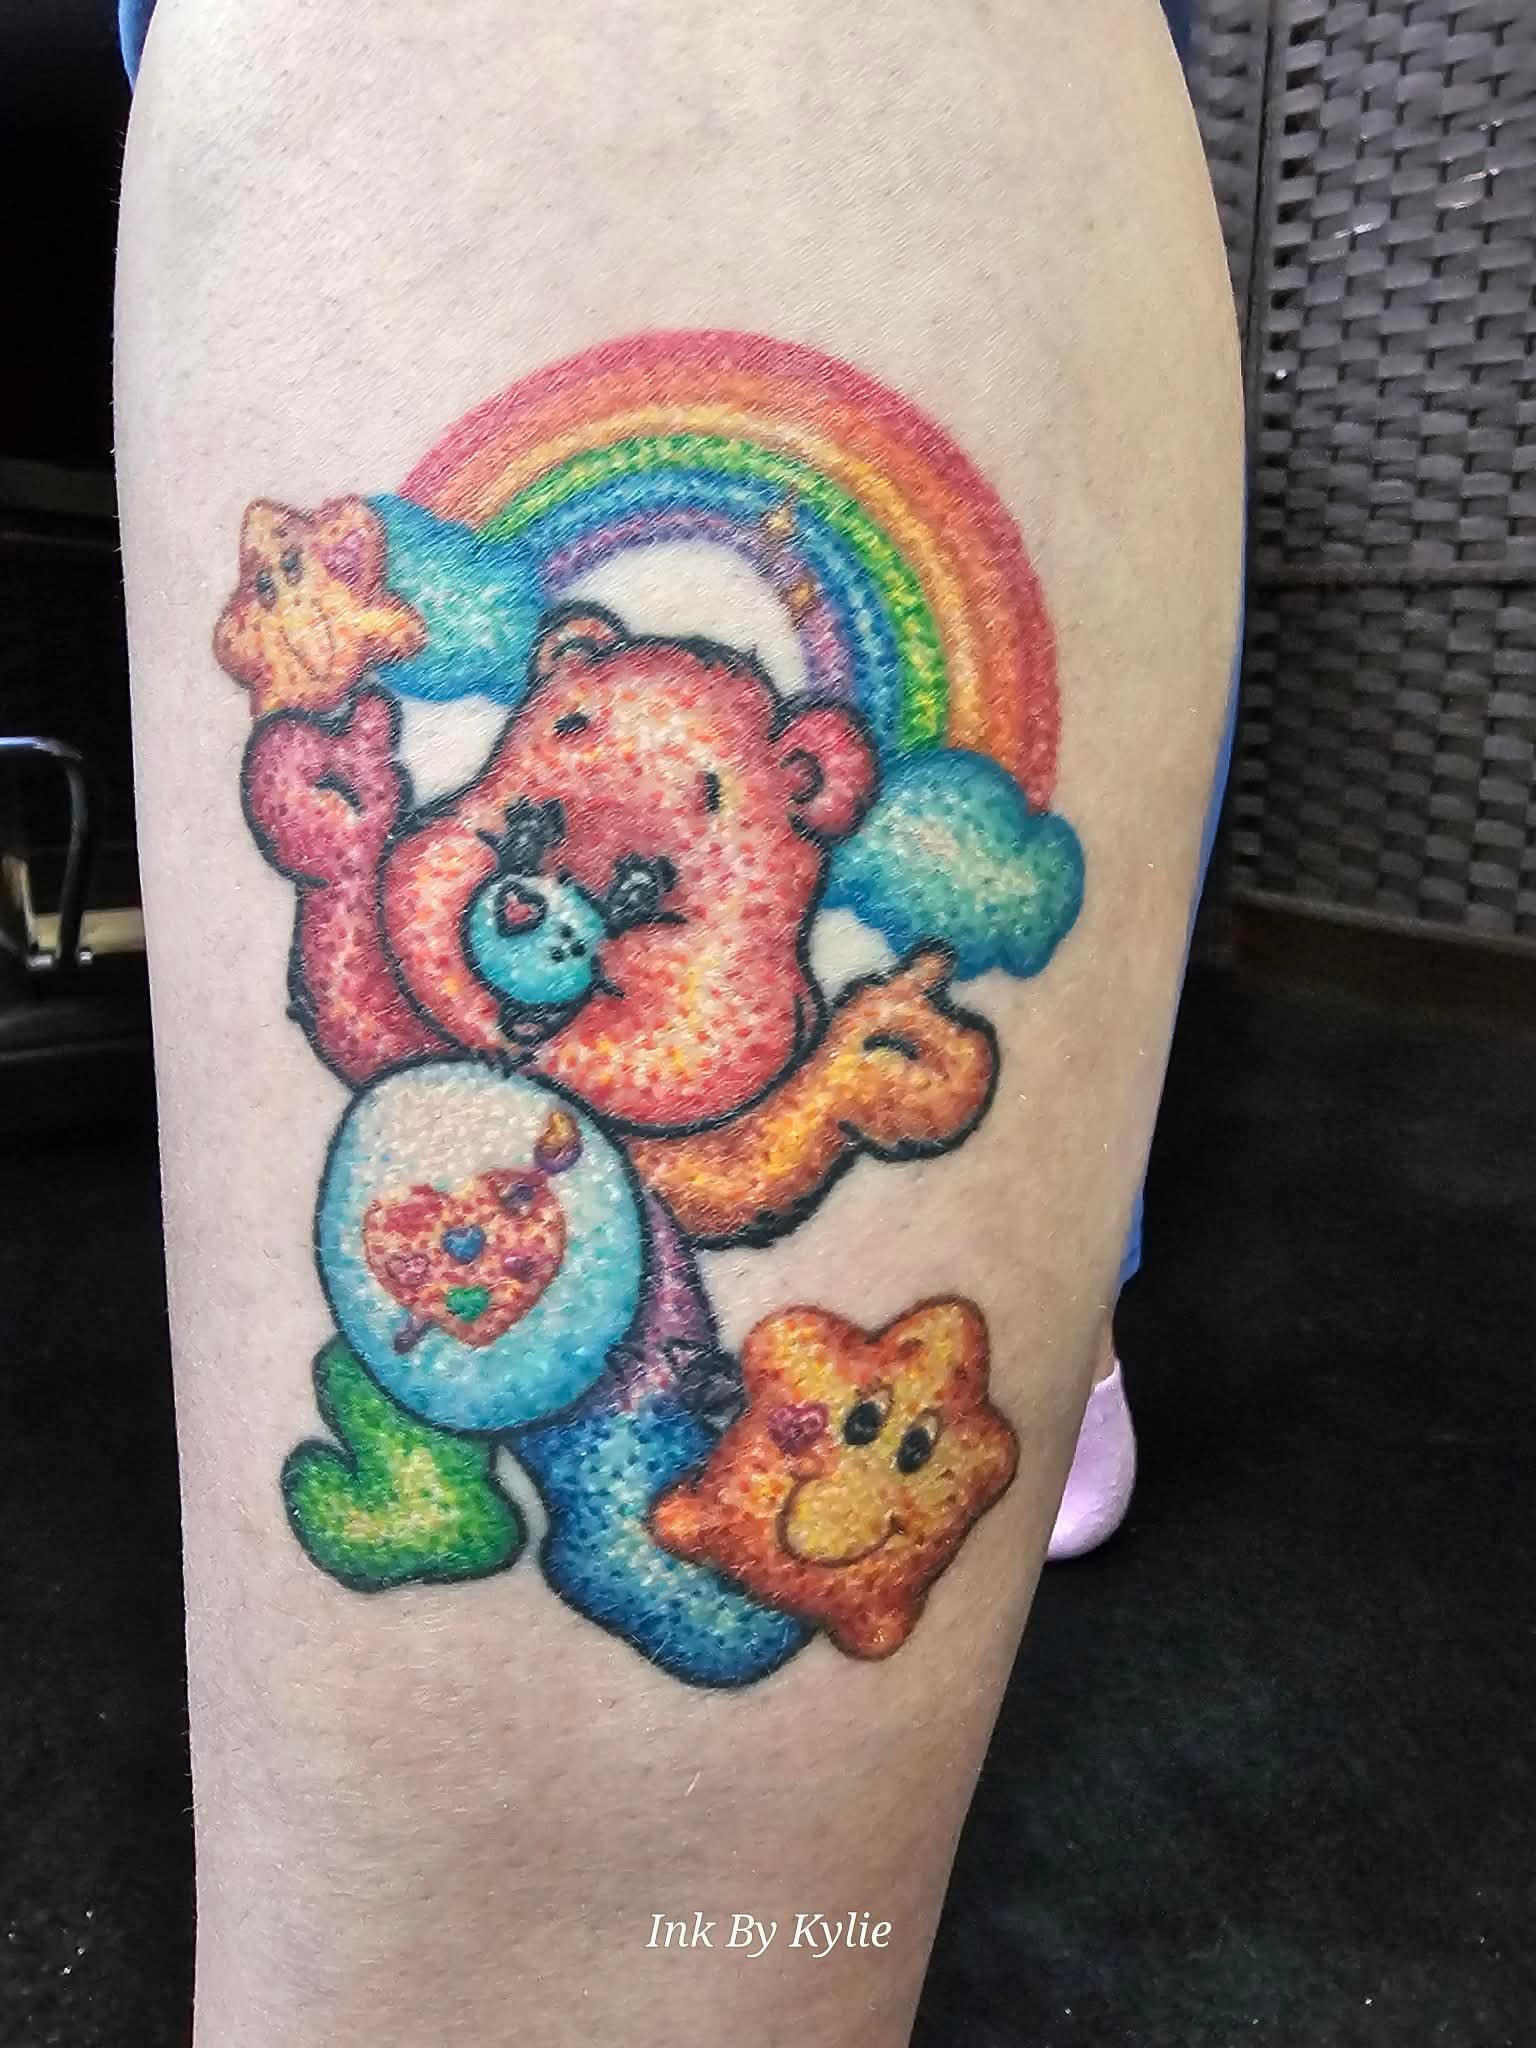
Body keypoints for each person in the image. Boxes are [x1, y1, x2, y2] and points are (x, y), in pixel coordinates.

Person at [116, 1, 1241, 2041]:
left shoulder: (689, 1078)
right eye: (525, 837)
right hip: (404, 1340)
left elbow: (721, 1168)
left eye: (644, 900)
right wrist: (345, 837)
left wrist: (836, 1100)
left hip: (624, 1372)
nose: (545, 914)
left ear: (808, 820)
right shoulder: (433, 988)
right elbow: (354, 988)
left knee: (657, 1530)